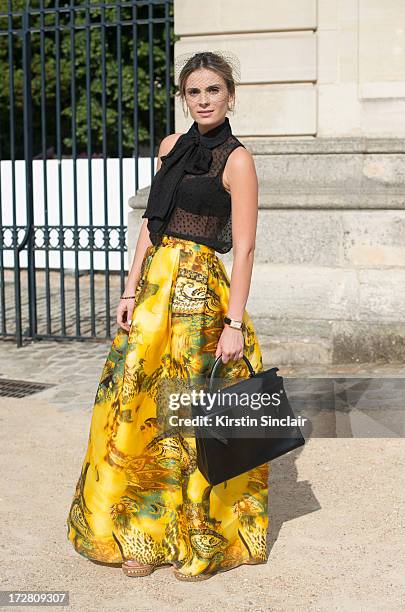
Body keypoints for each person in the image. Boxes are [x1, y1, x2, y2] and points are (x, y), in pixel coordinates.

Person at [66, 50, 269, 582]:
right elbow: (152, 225)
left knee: (193, 414)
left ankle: (197, 537)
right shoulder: (170, 148)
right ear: (184, 97)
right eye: (194, 92)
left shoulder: (239, 160)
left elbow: (243, 249)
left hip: (201, 298)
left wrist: (233, 322)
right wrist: (129, 288)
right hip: (154, 290)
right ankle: (141, 533)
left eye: (213, 90)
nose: (203, 100)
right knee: (137, 408)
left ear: (230, 95)